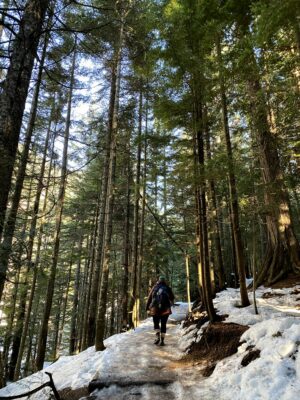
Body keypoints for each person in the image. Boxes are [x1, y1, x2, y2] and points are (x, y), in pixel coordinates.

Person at [146, 275, 175, 346]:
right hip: (165, 309)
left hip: (154, 309)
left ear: (158, 281)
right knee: (163, 324)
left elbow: (149, 298)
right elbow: (172, 297)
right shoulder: (167, 288)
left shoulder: (154, 287)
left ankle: (157, 337)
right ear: (164, 281)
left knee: (156, 323)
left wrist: (147, 308)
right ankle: (162, 340)